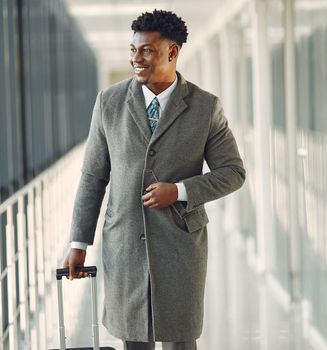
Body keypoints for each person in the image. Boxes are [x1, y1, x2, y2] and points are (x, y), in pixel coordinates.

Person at [63, 9, 246, 350]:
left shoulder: (205, 108)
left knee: (180, 338)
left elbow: (233, 172)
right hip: (125, 242)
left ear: (172, 52)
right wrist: (78, 243)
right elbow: (93, 175)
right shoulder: (109, 102)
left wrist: (178, 191)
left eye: (146, 50)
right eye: (133, 50)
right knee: (134, 339)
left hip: (180, 246)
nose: (136, 58)